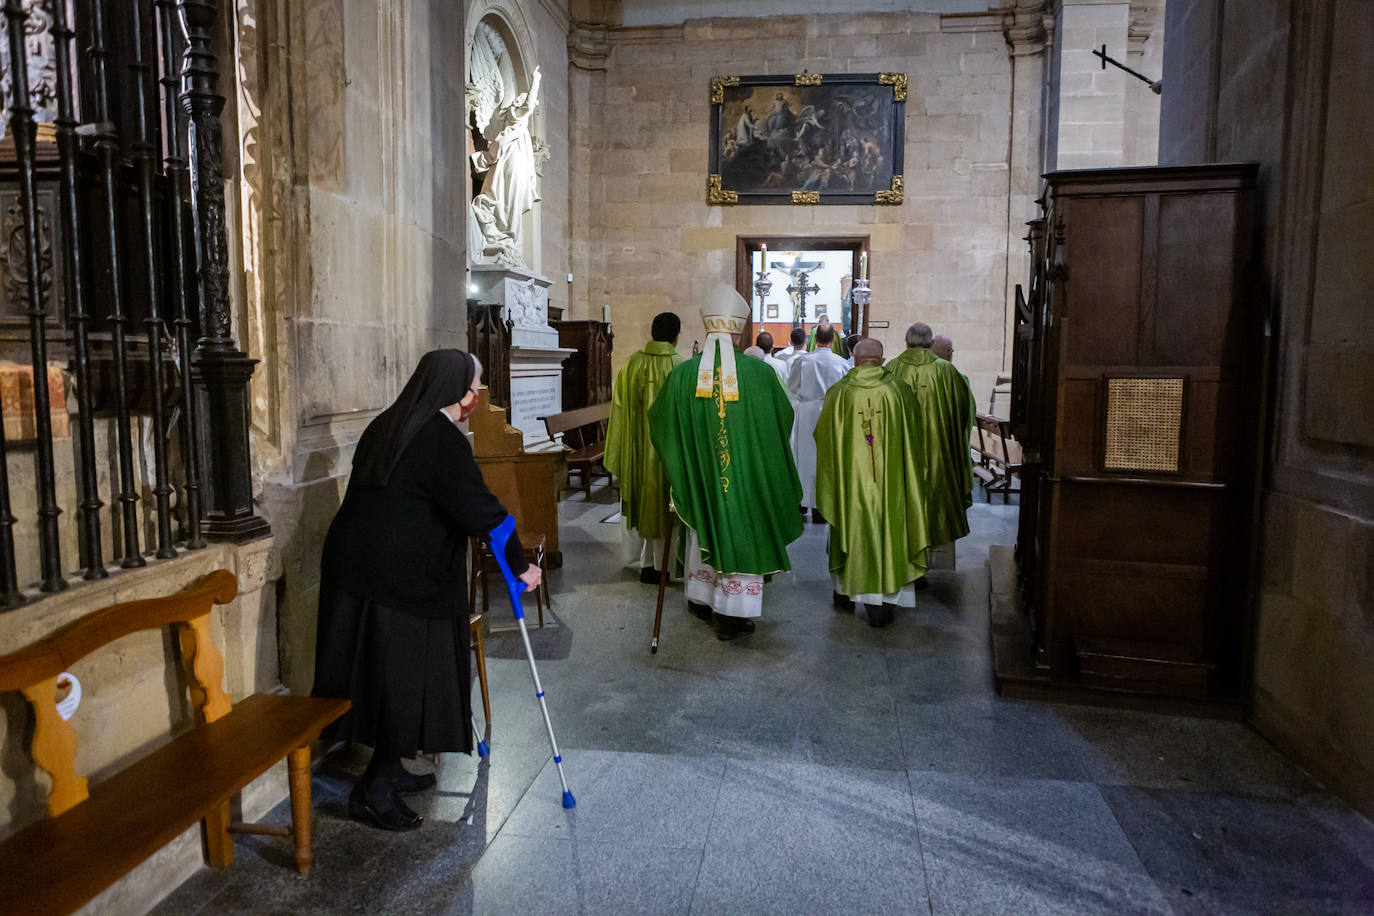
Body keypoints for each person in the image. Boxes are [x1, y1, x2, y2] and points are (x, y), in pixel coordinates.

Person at [313, 350, 541, 831]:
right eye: (474, 389)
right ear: (458, 392)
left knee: (377, 674)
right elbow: (479, 508)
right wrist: (521, 566)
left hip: (358, 571)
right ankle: (373, 789)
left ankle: (390, 767)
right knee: (403, 679)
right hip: (401, 579)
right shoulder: (439, 438)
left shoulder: (389, 422)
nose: (474, 399)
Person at [650, 284, 803, 641]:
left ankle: (702, 598)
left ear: (707, 327)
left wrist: (686, 463)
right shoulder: (762, 375)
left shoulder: (683, 375)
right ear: (737, 330)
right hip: (748, 479)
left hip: (701, 477)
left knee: (703, 521)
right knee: (743, 526)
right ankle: (733, 614)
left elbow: (659, 424)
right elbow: (783, 421)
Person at [815, 339, 931, 627]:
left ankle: (845, 590)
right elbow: (916, 439)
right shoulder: (899, 391)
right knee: (891, 527)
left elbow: (824, 438)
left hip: (851, 484)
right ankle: (884, 603)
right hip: (891, 484)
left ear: (854, 359)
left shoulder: (838, 393)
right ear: (881, 359)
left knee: (848, 523)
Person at [605, 312, 684, 583]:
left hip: (638, 454)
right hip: (668, 454)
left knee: (646, 505)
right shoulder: (681, 366)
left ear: (651, 333)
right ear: (676, 336)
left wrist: (624, 447)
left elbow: (618, 409)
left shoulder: (631, 365)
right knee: (666, 506)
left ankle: (648, 563)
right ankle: (664, 566)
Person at [886, 322, 974, 547]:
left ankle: (906, 551)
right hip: (937, 451)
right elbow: (963, 411)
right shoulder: (947, 371)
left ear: (906, 342)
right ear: (930, 343)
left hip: (900, 450)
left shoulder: (892, 368)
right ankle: (930, 547)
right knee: (934, 496)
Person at [788, 323, 851, 523]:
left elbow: (792, 386)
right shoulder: (841, 363)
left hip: (806, 411)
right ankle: (822, 507)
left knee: (804, 457)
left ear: (816, 339)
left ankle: (802, 502)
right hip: (831, 412)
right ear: (833, 339)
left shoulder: (804, 361)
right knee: (825, 458)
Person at [933, 334, 978, 506]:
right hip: (948, 447)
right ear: (949, 352)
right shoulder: (958, 378)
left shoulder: (914, 374)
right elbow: (968, 414)